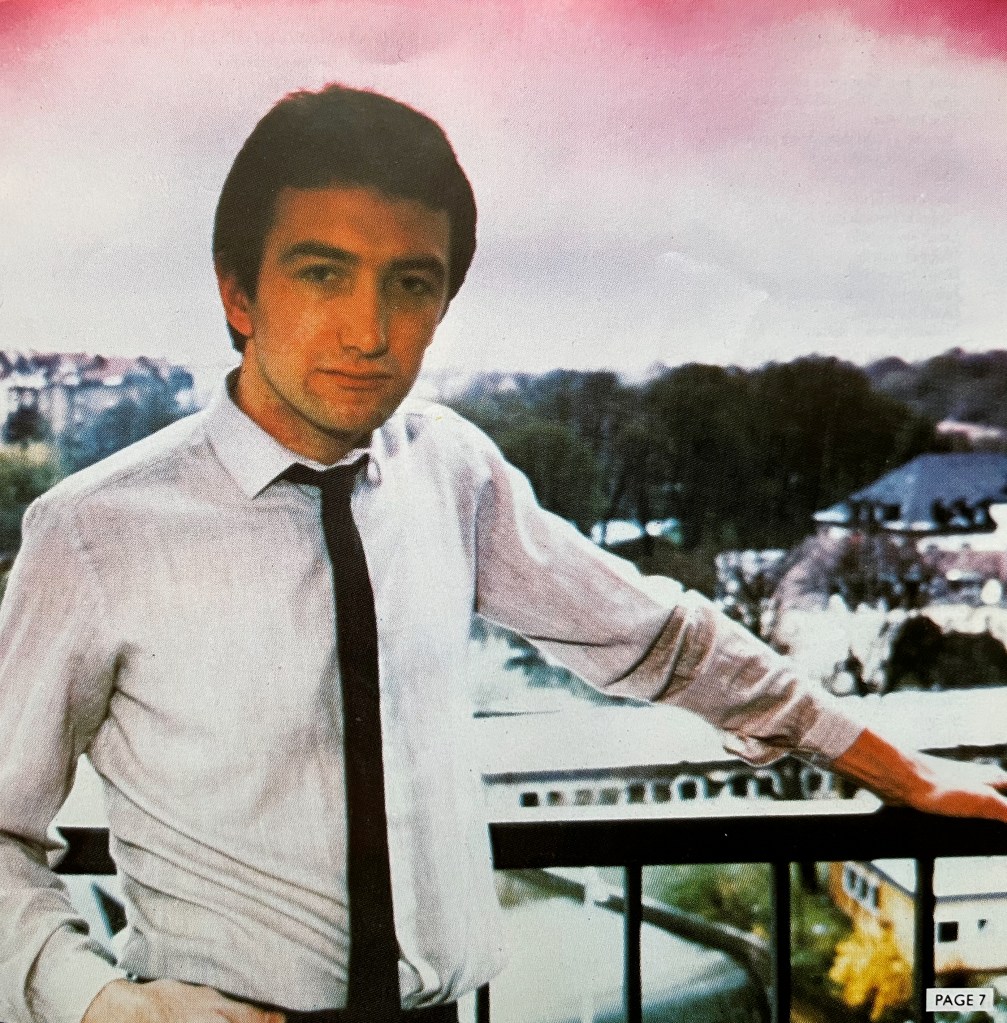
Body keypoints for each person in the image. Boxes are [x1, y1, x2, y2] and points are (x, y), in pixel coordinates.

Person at [1, 83, 1005, 1023]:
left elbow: (663, 639)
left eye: (410, 283)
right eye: (321, 273)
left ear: (442, 307)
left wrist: (897, 768)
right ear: (237, 292)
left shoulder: (448, 470)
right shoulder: (93, 534)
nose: (367, 329)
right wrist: (101, 1007)